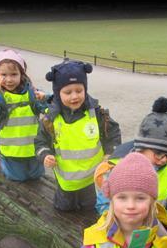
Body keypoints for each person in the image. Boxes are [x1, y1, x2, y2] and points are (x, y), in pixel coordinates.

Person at [35, 59, 122, 211]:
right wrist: (45, 155)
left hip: (93, 180)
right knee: (64, 210)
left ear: (85, 89)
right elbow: (40, 141)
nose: (74, 96)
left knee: (90, 210)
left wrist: (110, 153)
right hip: (66, 182)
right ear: (57, 93)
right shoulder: (51, 118)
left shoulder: (97, 113)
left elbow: (112, 134)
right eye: (67, 92)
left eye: (79, 91)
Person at [94, 97, 167, 221]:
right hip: (123, 228)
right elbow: (103, 204)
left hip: (155, 229)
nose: (164, 160)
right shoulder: (118, 169)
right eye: (159, 154)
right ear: (141, 148)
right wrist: (122, 220)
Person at [0, 49, 48, 181]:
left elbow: (49, 110)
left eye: (14, 74)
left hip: (34, 149)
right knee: (17, 179)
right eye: (3, 74)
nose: (9, 79)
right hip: (11, 152)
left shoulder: (32, 93)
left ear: (22, 74)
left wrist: (44, 98)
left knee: (36, 177)